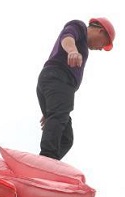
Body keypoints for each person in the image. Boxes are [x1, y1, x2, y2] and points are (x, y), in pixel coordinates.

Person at [36, 17, 115, 160]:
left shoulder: (84, 43)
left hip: (54, 86)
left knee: (66, 137)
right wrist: (72, 51)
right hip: (58, 79)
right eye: (103, 44)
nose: (100, 49)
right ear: (100, 31)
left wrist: (51, 107)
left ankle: (50, 163)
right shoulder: (80, 27)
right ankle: (45, 158)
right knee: (59, 117)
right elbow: (67, 36)